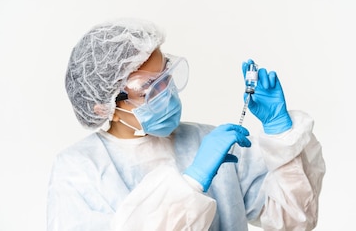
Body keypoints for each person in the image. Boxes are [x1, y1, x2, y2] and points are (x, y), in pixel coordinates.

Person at [47, 18, 326, 231]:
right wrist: (191, 184)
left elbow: (295, 218)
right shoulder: (78, 170)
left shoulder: (211, 142)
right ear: (104, 104)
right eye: (149, 88)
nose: (166, 91)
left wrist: (280, 132)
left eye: (166, 76)